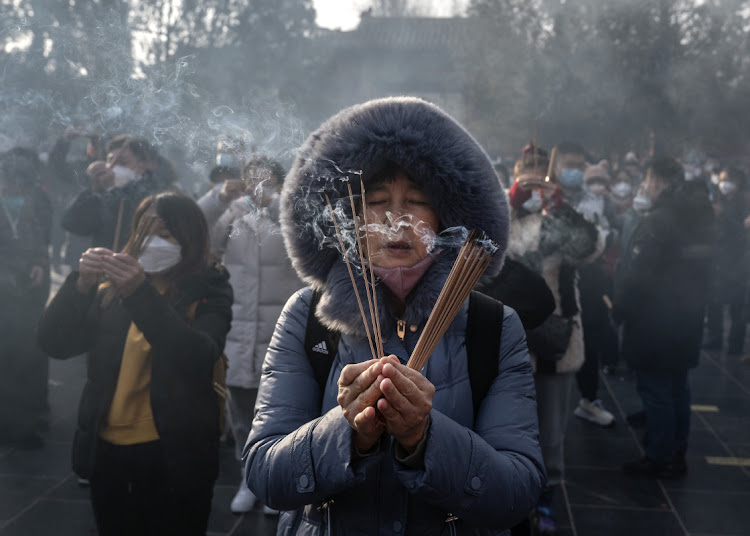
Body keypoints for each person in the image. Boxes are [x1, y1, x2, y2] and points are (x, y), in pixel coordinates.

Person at [243, 97, 545, 535]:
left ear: (446, 218)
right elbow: (265, 473)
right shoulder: (307, 318)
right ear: (348, 217)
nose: (397, 218)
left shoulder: (493, 327)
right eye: (378, 199)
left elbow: (516, 491)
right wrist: (349, 434)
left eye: (418, 201)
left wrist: (424, 438)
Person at [38, 192, 233, 535]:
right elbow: (55, 343)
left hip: (172, 451)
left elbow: (198, 355)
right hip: (107, 447)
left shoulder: (209, 286)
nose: (155, 243)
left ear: (189, 240)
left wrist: (140, 293)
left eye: (167, 235)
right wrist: (80, 284)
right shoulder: (109, 288)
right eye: (147, 232)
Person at [198, 154, 302, 515]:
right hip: (239, 326)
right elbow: (196, 230)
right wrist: (219, 198)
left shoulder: (291, 213)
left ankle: (279, 479)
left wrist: (274, 205)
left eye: (266, 181)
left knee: (284, 409)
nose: (257, 188)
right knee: (241, 411)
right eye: (250, 180)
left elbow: (301, 233)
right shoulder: (233, 212)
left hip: (280, 327)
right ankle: (249, 476)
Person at [506, 143, 598, 534]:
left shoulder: (567, 217)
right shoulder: (507, 216)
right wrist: (508, 205)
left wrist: (560, 210)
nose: (536, 185)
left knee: (551, 429)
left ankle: (547, 496)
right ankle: (511, 496)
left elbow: (588, 248)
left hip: (555, 336)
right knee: (507, 425)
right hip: (509, 335)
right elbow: (483, 249)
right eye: (528, 178)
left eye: (543, 178)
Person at [614, 157, 714, 478]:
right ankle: (677, 451)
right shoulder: (700, 215)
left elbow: (638, 276)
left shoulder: (658, 220)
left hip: (654, 320)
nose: (646, 186)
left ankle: (659, 456)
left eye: (648, 180)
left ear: (657, 181)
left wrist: (620, 308)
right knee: (677, 387)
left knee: (656, 390)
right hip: (688, 316)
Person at [0, 147, 52, 448]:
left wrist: (39, 265)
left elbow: (38, 244)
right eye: (10, 184)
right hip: (4, 297)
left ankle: (25, 423)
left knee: (27, 360)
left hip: (26, 298)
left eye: (22, 186)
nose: (15, 191)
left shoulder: (30, 205)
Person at [61, 135, 171, 250]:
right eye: (110, 161)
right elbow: (71, 224)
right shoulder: (103, 191)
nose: (113, 167)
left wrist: (111, 190)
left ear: (141, 166)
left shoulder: (153, 192)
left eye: (123, 162)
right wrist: (95, 190)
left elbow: (127, 224)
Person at [572, 160, 617, 427]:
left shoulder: (608, 207)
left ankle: (589, 399)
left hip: (594, 285)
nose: (595, 188)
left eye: (600, 182)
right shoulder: (570, 205)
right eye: (591, 182)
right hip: (568, 284)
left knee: (591, 342)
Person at [704, 167, 748, 355]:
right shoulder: (717, 199)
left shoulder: (745, 202)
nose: (724, 184)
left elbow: (743, 229)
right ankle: (715, 338)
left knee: (736, 306)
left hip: (737, 260)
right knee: (714, 302)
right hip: (718, 258)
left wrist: (724, 216)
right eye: (722, 179)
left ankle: (735, 344)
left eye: (728, 179)